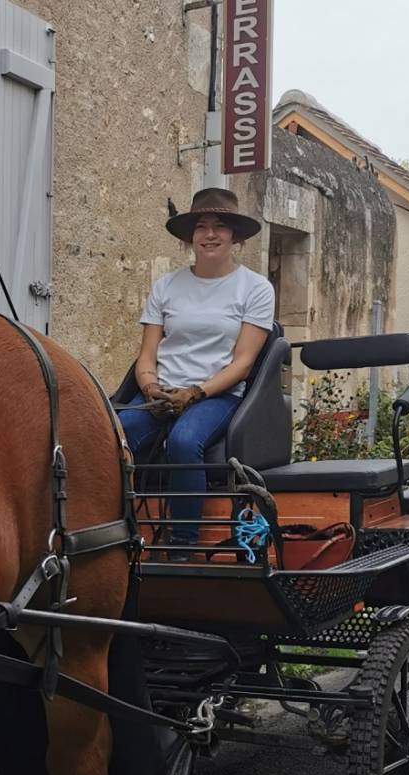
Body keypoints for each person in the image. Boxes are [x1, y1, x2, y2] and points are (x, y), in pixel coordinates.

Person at [120, 187, 274, 550]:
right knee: (114, 436)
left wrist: (196, 393)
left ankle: (183, 542)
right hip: (161, 393)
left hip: (216, 395)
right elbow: (147, 354)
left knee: (185, 440)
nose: (210, 234)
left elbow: (244, 362)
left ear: (234, 235)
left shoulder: (255, 288)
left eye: (219, 226)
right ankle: (117, 533)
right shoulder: (167, 286)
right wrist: (150, 387)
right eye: (201, 226)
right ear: (191, 236)